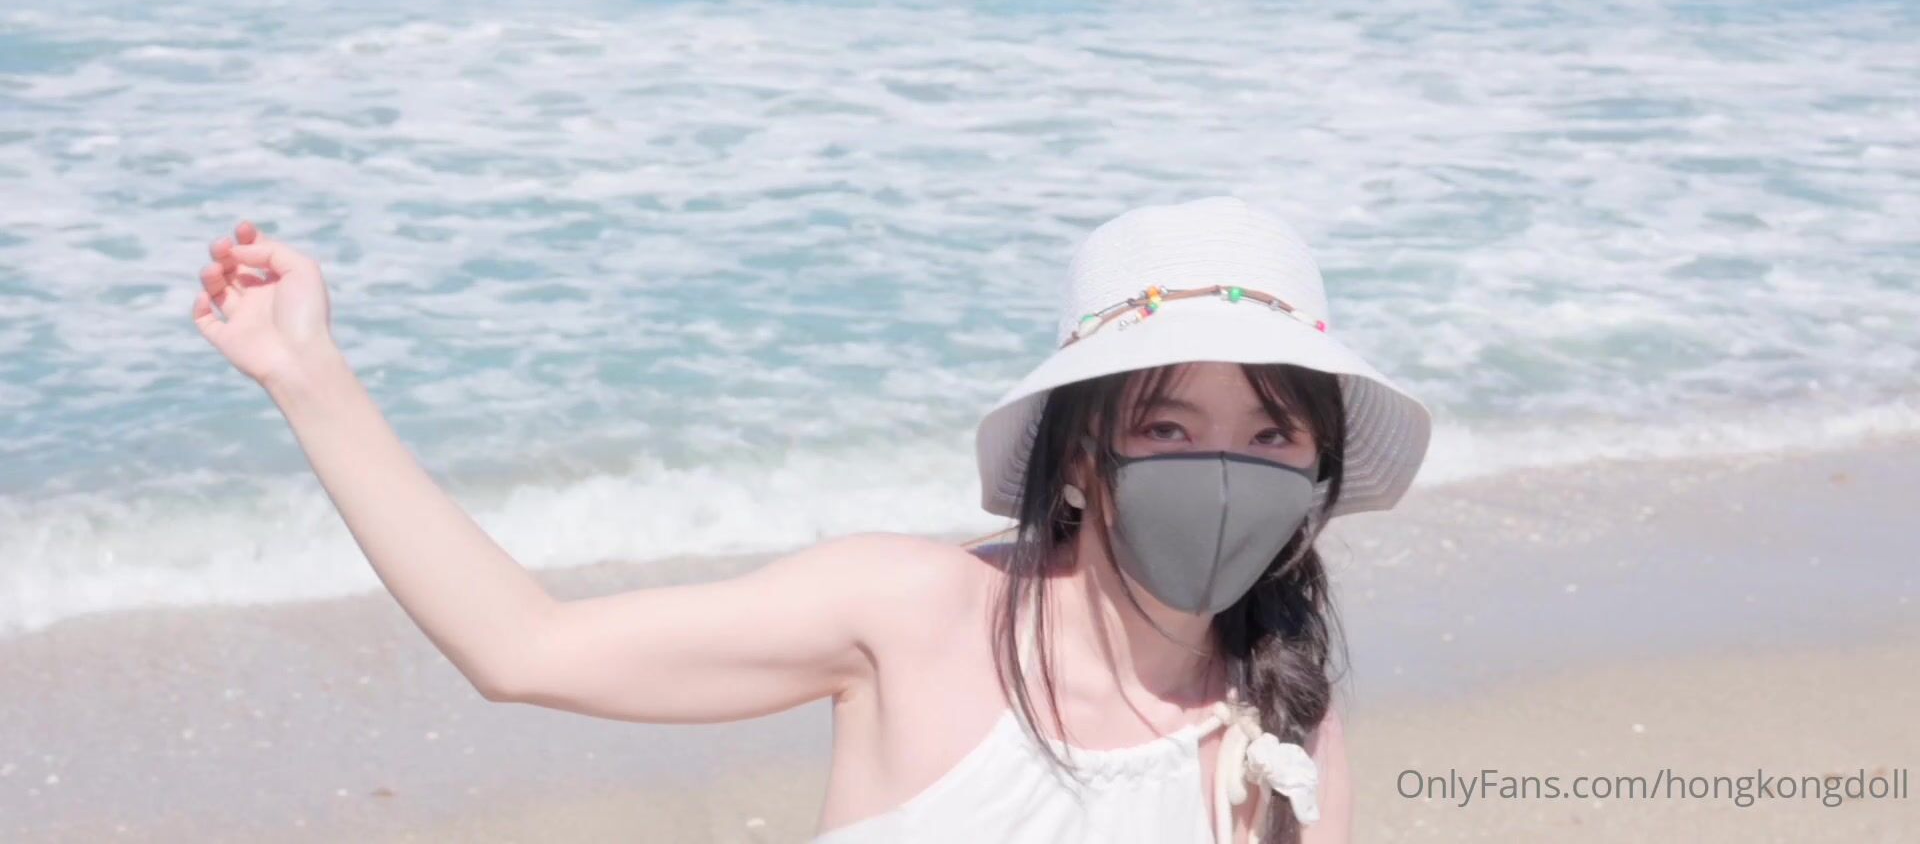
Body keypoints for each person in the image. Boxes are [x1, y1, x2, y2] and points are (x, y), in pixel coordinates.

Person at [192, 194, 1432, 843]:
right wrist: (307, 373)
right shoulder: (916, 612)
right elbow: (525, 648)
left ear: (1319, 469)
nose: (1222, 472)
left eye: (1271, 434)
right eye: (1165, 426)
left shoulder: (1283, 705)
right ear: (1077, 456)